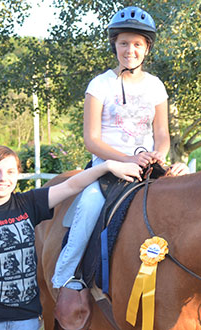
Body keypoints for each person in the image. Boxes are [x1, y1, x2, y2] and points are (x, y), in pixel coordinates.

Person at [51, 6, 188, 290]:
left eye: (137, 44)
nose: (130, 50)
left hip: (148, 167)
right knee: (89, 206)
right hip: (107, 168)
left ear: (146, 48)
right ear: (114, 44)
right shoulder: (99, 85)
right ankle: (65, 276)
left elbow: (162, 133)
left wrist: (157, 155)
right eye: (124, 43)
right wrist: (128, 159)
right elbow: (92, 139)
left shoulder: (155, 86)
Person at [0, 145, 142, 330]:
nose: (2, 178)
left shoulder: (27, 204)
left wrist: (106, 166)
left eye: (10, 172)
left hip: (26, 320)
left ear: (18, 175)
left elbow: (71, 186)